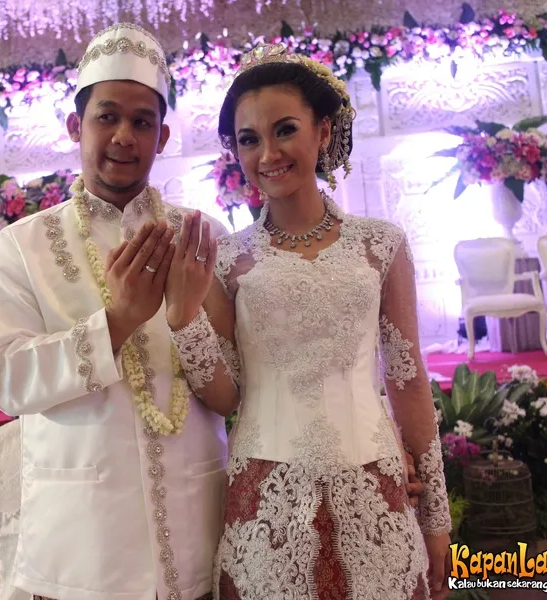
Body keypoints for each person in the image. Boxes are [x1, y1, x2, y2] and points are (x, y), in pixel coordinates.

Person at [0, 23, 242, 600]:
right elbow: (4, 379)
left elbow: (237, 384)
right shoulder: (22, 246)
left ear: (162, 137)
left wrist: (185, 316)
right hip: (83, 549)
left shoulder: (203, 238)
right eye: (107, 117)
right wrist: (115, 323)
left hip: (194, 528)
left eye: (142, 122)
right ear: (76, 126)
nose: (124, 136)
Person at [192, 44, 453, 599]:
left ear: (324, 131)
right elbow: (225, 390)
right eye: (249, 139)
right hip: (265, 492)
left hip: (374, 481)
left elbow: (408, 381)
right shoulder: (225, 259)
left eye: (285, 130)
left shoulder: (380, 244)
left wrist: (436, 518)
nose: (268, 153)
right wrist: (179, 315)